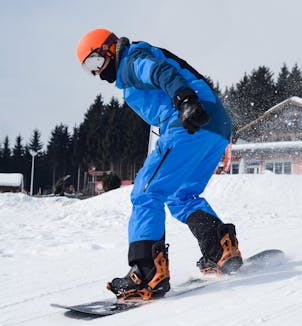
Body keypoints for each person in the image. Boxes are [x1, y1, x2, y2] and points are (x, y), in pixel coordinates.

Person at [76, 28, 242, 300]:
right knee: (181, 195)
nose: (96, 73)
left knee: (145, 193)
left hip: (189, 120)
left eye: (95, 63)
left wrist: (185, 100)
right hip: (215, 127)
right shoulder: (130, 74)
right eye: (88, 70)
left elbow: (161, 72)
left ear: (108, 49)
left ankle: (146, 273)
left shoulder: (131, 60)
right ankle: (221, 250)